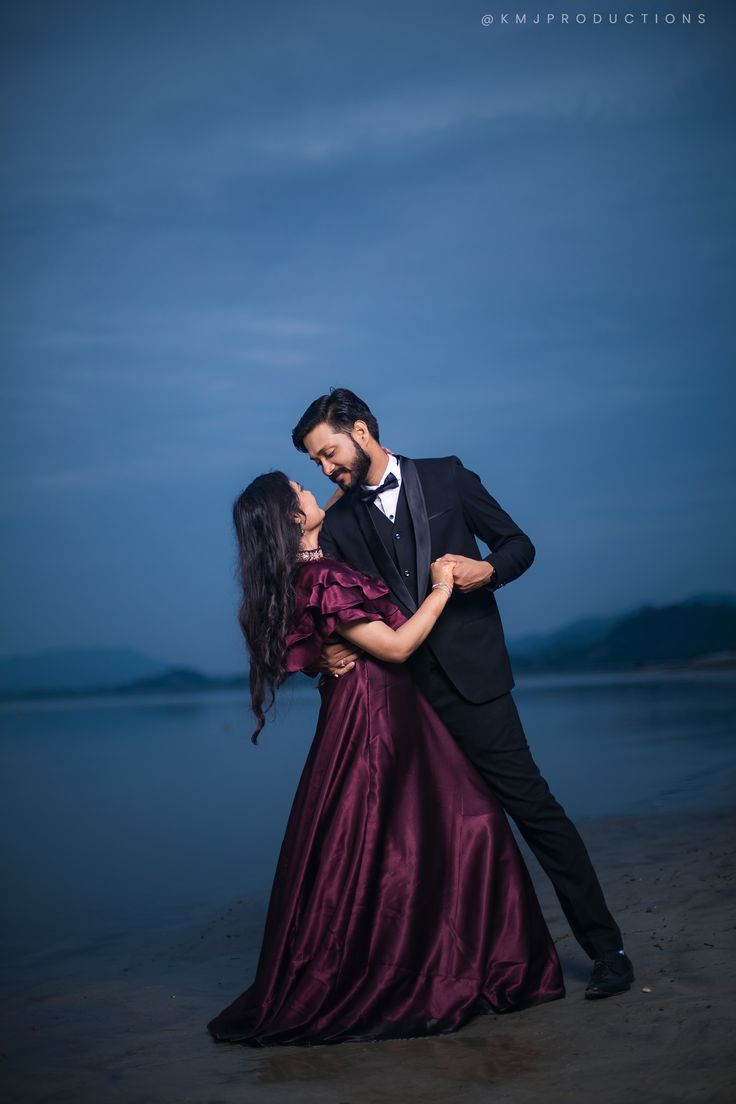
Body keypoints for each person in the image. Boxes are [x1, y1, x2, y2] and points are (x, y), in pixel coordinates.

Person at [291, 388, 635, 1000]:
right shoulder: (338, 522)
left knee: (535, 812)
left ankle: (607, 949)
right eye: (315, 461)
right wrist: (329, 650)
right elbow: (336, 607)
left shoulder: (446, 476)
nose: (325, 468)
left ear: (362, 430)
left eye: (329, 452)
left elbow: (518, 544)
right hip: (399, 696)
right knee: (438, 836)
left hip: (476, 684)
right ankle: (464, 971)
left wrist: (489, 571)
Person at [206, 471, 564, 1047]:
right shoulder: (320, 575)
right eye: (301, 489)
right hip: (376, 719)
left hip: (367, 713)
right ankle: (444, 968)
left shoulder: (300, 573)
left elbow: (341, 501)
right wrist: (443, 587)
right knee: (454, 829)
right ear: (295, 519)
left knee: (380, 848)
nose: (314, 490)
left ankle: (429, 959)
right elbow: (396, 647)